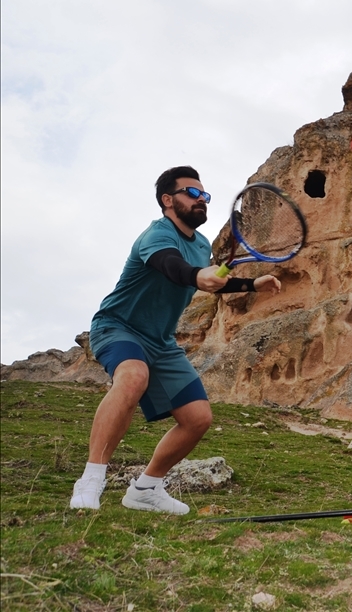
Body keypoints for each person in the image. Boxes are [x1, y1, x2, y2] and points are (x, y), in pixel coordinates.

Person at [70, 166, 281, 515]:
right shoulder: (157, 235)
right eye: (192, 193)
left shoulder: (199, 245)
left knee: (198, 418)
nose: (201, 200)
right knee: (133, 376)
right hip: (118, 326)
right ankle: (91, 478)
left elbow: (208, 278)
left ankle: (146, 488)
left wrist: (250, 284)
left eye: (205, 195)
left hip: (161, 341)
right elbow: (170, 266)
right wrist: (198, 275)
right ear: (168, 200)